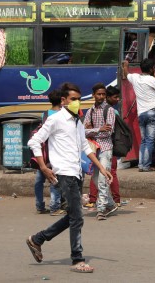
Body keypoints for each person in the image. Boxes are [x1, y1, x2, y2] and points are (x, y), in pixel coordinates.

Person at [26, 83, 114, 274]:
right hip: (63, 172)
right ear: (63, 100)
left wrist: (102, 168)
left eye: (78, 99)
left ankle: (38, 239)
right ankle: (77, 258)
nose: (76, 102)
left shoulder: (77, 122)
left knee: (74, 215)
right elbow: (34, 141)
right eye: (73, 99)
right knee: (77, 217)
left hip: (76, 172)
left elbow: (85, 147)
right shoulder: (55, 119)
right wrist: (43, 167)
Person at [120, 59, 155, 172]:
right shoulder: (151, 79)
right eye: (153, 68)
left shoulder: (134, 77)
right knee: (150, 140)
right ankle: (146, 166)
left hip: (141, 113)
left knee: (144, 140)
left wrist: (126, 65)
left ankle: (141, 165)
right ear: (151, 69)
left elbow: (126, 73)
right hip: (153, 112)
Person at [83, 83, 117, 219]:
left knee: (102, 178)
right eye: (99, 94)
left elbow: (108, 132)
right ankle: (111, 203)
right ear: (93, 95)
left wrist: (91, 130)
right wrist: (98, 129)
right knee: (96, 179)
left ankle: (101, 209)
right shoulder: (90, 111)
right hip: (93, 149)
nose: (101, 97)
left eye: (103, 94)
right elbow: (82, 131)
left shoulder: (109, 110)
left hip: (105, 148)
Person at [33, 90, 63, 215]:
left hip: (43, 151)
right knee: (54, 178)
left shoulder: (45, 114)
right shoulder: (62, 115)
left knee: (40, 179)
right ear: (62, 100)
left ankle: (39, 205)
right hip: (55, 150)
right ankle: (54, 207)